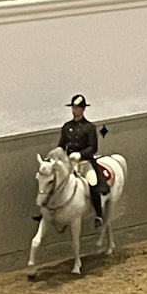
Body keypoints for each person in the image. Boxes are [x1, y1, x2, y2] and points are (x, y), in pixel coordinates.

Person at [57, 95, 109, 227]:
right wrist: (58, 156)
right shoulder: (66, 127)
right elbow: (62, 146)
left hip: (85, 162)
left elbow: (93, 147)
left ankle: (98, 214)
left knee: (93, 183)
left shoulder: (89, 127)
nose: (74, 111)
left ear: (83, 109)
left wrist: (80, 154)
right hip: (70, 163)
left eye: (77, 108)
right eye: (73, 108)